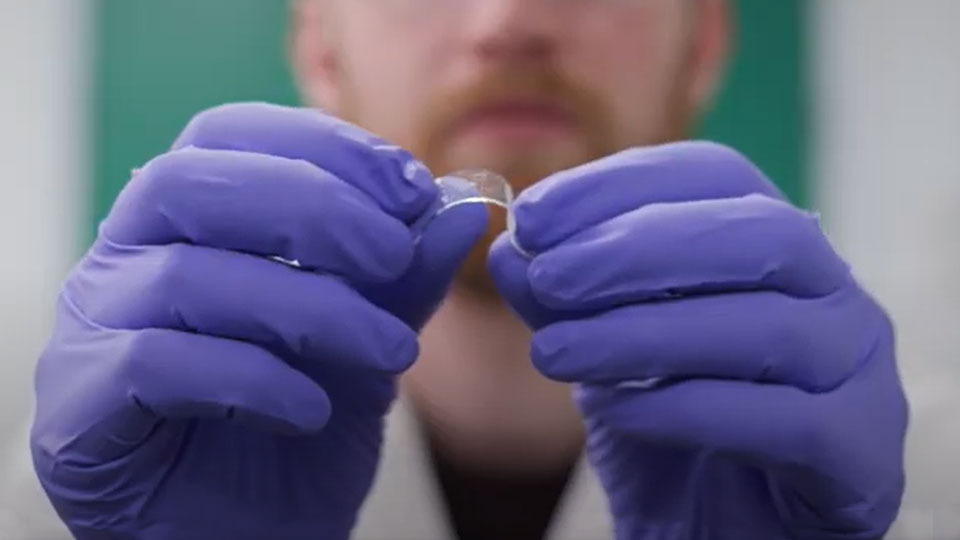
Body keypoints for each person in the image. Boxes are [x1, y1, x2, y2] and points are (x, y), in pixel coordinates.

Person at [16, 0, 908, 538]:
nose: (506, 23)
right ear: (322, 48)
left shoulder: (908, 468)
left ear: (703, 43)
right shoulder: (76, 461)